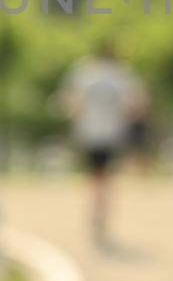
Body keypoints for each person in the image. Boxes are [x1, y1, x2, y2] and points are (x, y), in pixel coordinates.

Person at [57, 38, 147, 250]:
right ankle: (102, 212)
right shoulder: (122, 74)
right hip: (112, 133)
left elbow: (70, 102)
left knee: (94, 175)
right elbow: (137, 104)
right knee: (106, 176)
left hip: (88, 132)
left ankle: (96, 211)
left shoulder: (83, 71)